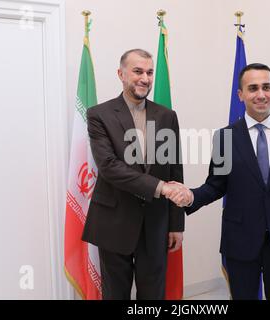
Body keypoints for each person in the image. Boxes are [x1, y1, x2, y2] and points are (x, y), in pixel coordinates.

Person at [167, 63, 270, 300]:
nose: (260, 94)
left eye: (266, 87)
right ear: (241, 95)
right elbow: (216, 185)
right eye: (253, 88)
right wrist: (191, 196)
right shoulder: (225, 137)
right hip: (240, 241)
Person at [82, 49, 184, 300]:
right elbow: (109, 166)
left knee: (153, 296)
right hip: (113, 221)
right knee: (115, 294)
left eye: (149, 72)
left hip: (156, 222)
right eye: (138, 71)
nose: (145, 78)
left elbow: (174, 170)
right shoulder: (99, 115)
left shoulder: (167, 116)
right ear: (121, 74)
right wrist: (159, 187)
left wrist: (176, 224)